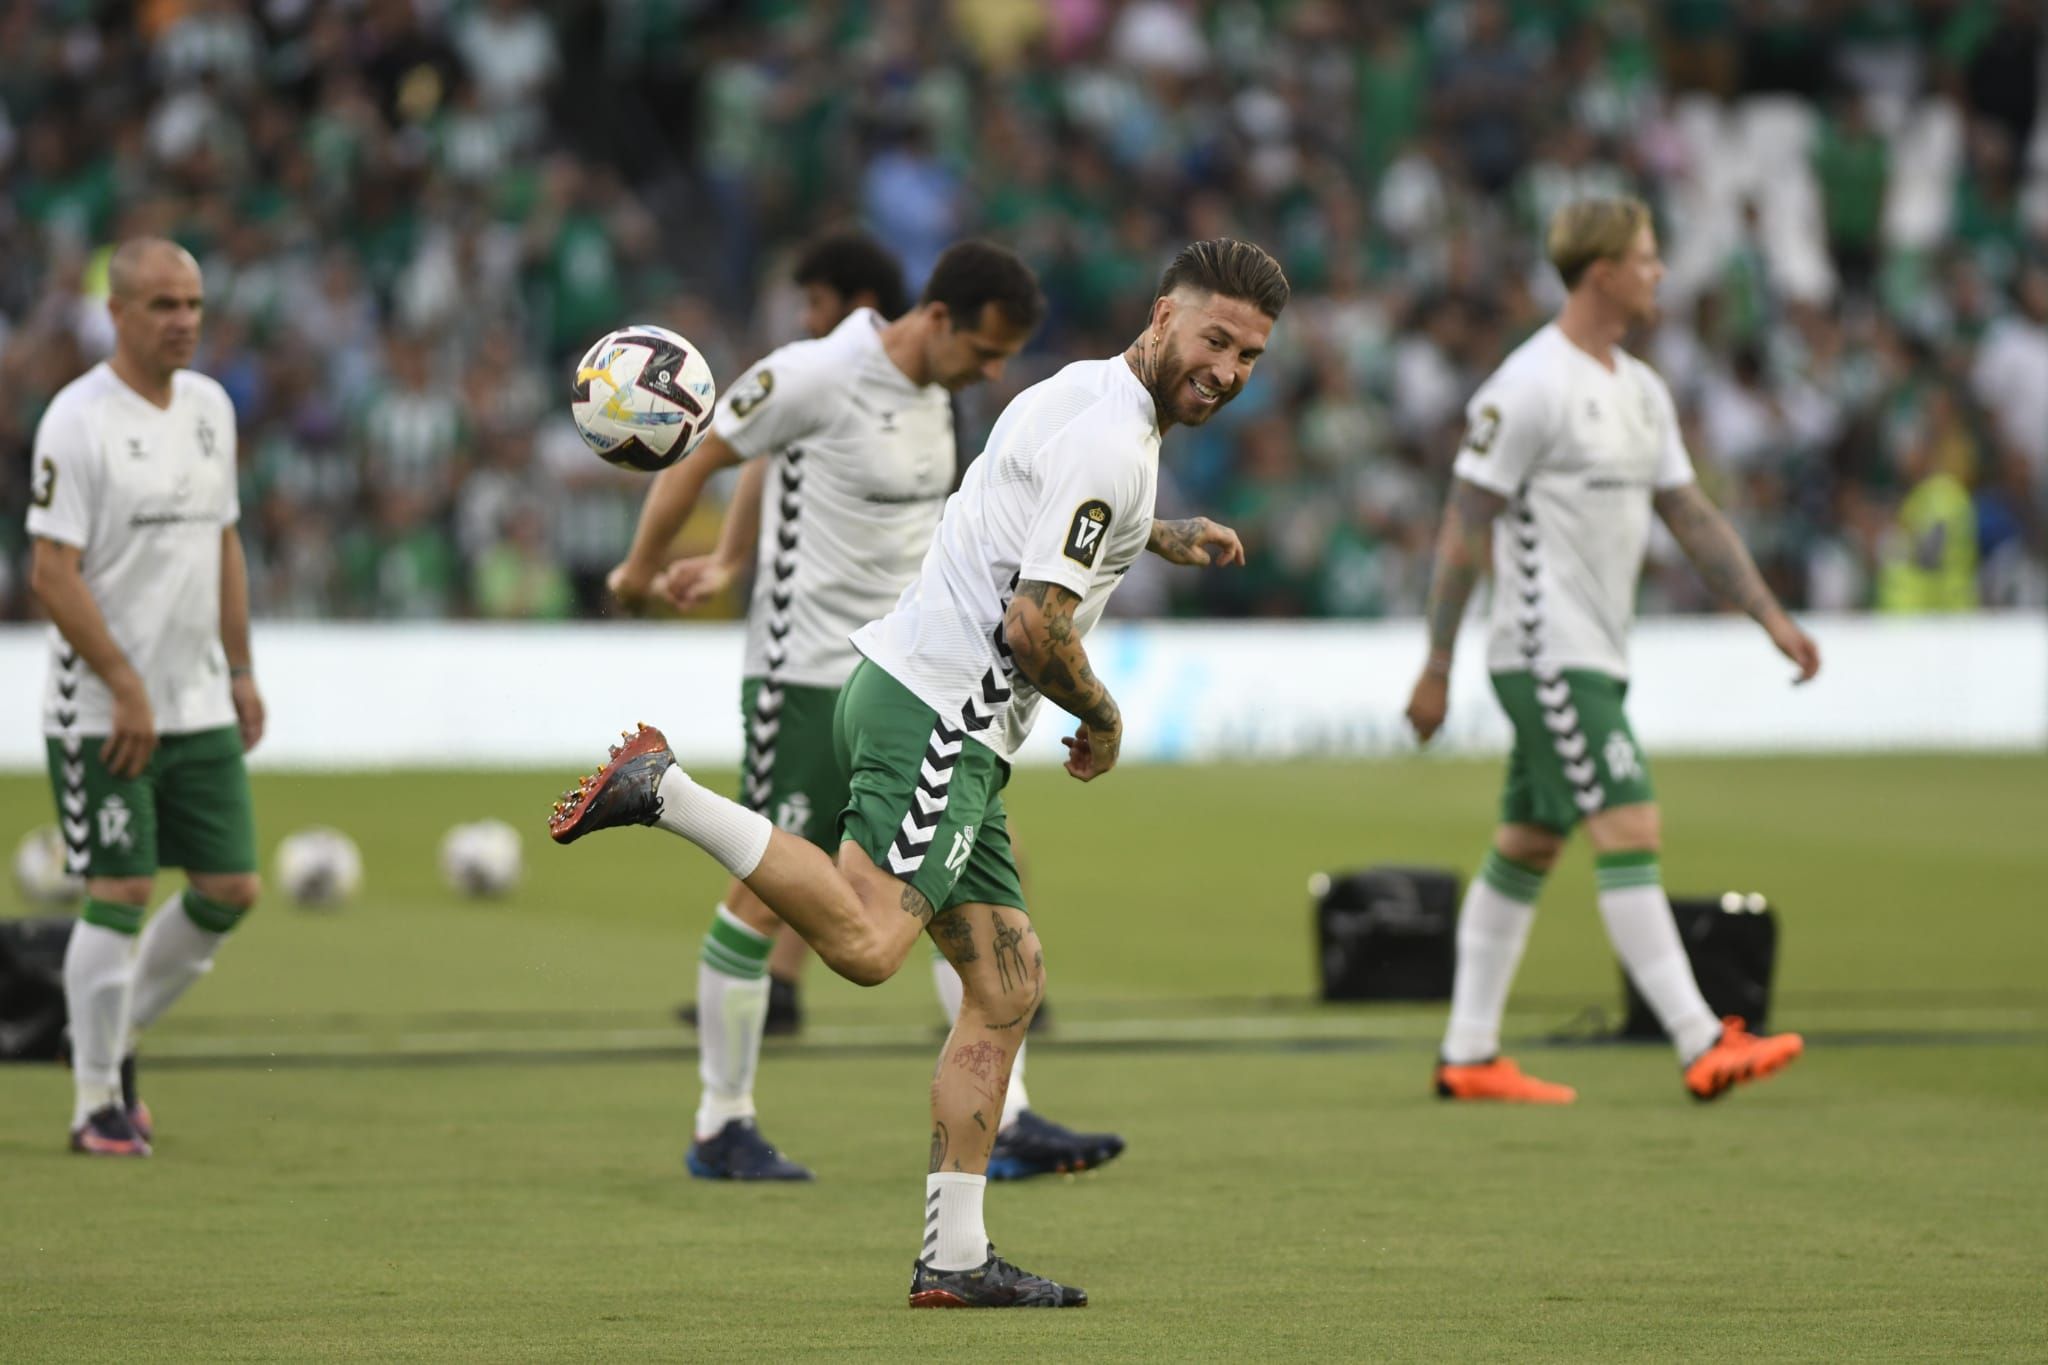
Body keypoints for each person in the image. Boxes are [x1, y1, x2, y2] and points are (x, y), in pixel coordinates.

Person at [552, 237, 1287, 1307]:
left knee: (1005, 983)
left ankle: (952, 1259)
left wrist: (1159, 538)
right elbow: (1035, 628)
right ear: (1164, 314)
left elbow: (1021, 519)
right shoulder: (1113, 444)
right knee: (863, 944)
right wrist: (1105, 715)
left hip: (929, 705)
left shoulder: (1079, 395)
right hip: (942, 714)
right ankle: (662, 789)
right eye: (1216, 339)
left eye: (1251, 356)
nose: (1227, 368)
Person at [608, 236, 1121, 1183]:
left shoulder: (937, 398)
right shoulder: (816, 371)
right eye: (986, 351)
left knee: (955, 877)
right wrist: (646, 570)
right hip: (803, 673)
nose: (994, 372)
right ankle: (722, 1120)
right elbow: (715, 450)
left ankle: (1006, 1118)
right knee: (767, 901)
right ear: (936, 319)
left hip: (910, 676)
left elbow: (804, 471)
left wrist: (1155, 534)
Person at [1403, 197, 1816, 1105]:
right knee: (1629, 821)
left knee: (1528, 843)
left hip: (1596, 651)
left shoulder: (1640, 388)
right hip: (1548, 655)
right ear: (1602, 274)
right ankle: (1701, 1037)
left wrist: (1768, 615)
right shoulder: (1526, 386)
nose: (1659, 272)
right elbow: (1463, 526)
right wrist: (1436, 663)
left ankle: (1469, 1052)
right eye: (1646, 256)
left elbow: (1692, 515)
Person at [26, 238, 266, 1156]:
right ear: (118, 314)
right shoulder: (77, 420)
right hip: (103, 710)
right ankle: (95, 1102)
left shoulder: (210, 408)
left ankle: (109, 1035)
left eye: (195, 303)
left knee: (230, 887)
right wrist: (123, 683)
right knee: (120, 886)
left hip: (198, 700)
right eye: (164, 304)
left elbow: (225, 543)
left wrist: (240, 669)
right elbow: (51, 573)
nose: (185, 321)